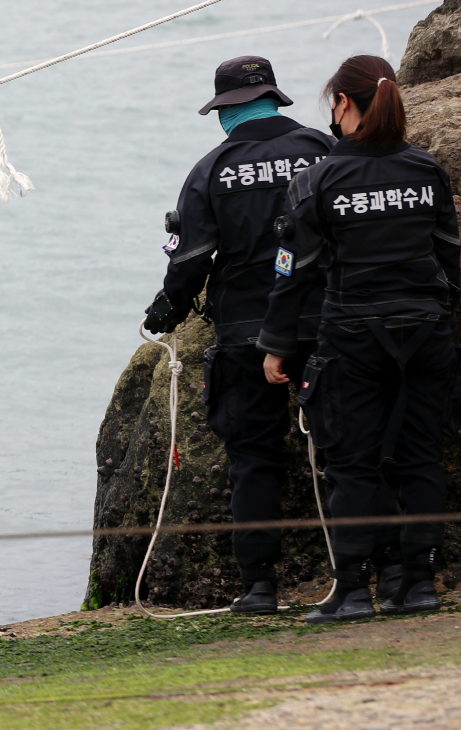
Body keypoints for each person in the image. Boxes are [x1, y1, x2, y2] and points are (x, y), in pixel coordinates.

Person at [258, 55, 460, 623]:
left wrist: (277, 346)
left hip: (352, 336)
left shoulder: (317, 181)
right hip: (427, 333)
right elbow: (449, 257)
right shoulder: (427, 170)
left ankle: (352, 592)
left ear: (343, 105)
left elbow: (292, 271)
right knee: (421, 457)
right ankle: (418, 586)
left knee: (352, 465)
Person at [143, 55, 337, 614]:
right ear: (275, 98)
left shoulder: (212, 169)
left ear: (226, 109)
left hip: (248, 332)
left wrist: (167, 310)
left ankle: (259, 587)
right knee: (350, 450)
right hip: (329, 321)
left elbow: (192, 260)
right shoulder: (323, 151)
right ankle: (370, 575)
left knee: (253, 457)